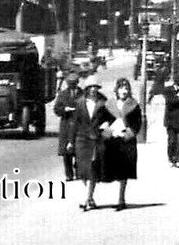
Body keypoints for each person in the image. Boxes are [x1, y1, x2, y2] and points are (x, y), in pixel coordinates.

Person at [100, 77, 143, 208]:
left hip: (126, 142)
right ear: (116, 90)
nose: (123, 91)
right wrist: (106, 130)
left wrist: (128, 134)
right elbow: (103, 120)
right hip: (112, 141)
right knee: (111, 169)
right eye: (121, 88)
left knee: (124, 171)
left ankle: (121, 199)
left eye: (126, 89)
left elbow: (137, 124)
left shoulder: (134, 105)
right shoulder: (109, 104)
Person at [72, 74, 107, 211]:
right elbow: (74, 123)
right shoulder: (79, 103)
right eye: (90, 87)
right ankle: (89, 197)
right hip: (81, 139)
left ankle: (85, 198)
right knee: (82, 169)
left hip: (96, 139)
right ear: (86, 88)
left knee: (92, 169)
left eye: (95, 87)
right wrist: (70, 141)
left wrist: (105, 128)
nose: (93, 89)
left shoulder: (103, 102)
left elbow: (110, 119)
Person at [53, 72, 81, 181]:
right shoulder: (63, 94)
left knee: (79, 150)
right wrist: (65, 109)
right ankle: (69, 174)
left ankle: (79, 172)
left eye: (74, 83)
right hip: (66, 124)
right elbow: (56, 109)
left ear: (77, 83)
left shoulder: (82, 94)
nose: (72, 85)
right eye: (70, 83)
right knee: (66, 153)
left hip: (79, 124)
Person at [162, 76, 179, 166]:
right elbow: (170, 102)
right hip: (170, 120)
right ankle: (171, 158)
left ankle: (177, 159)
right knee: (171, 141)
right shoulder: (168, 90)